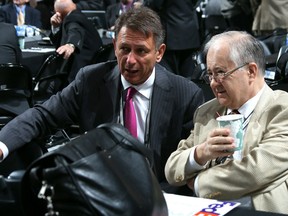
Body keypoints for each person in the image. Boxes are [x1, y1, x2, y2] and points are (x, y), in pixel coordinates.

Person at [0, 6, 204, 191]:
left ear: (159, 53)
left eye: (141, 51)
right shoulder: (91, 80)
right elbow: (42, 116)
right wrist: (2, 145)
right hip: (102, 193)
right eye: (124, 49)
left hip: (161, 195)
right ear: (114, 46)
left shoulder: (184, 94)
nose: (130, 60)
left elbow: (191, 164)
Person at [165, 31, 288, 214]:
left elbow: (255, 171)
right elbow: (172, 169)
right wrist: (201, 153)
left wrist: (199, 183)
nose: (214, 83)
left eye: (221, 73)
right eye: (210, 75)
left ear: (251, 71)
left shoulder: (281, 108)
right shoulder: (206, 112)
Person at [144, 0, 202, 79]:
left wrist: (144, 4)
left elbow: (155, 4)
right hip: (189, 34)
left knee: (170, 76)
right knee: (188, 76)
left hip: (172, 36)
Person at [49, 0, 103, 82]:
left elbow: (75, 30)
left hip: (80, 74)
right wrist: (55, 27)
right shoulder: (79, 15)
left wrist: (71, 44)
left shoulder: (72, 19)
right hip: (95, 70)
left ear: (57, 14)